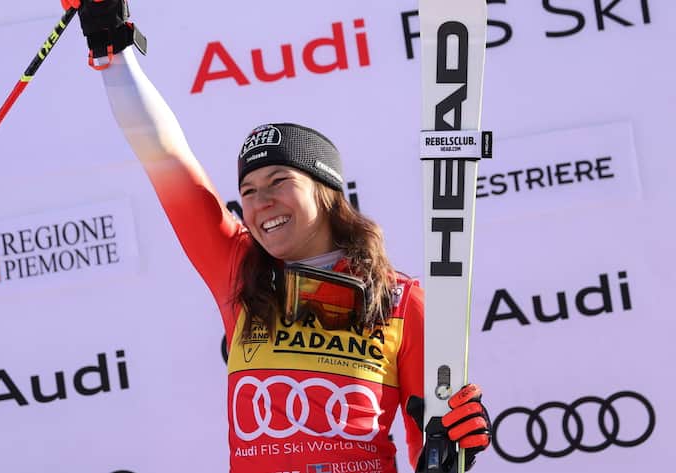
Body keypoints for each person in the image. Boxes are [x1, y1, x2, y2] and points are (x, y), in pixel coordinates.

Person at [62, 1, 491, 471]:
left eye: (278, 182)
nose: (259, 201)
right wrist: (112, 49)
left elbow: (428, 442)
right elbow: (162, 154)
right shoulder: (238, 270)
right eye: (247, 190)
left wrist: (452, 450)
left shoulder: (401, 302)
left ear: (327, 192)